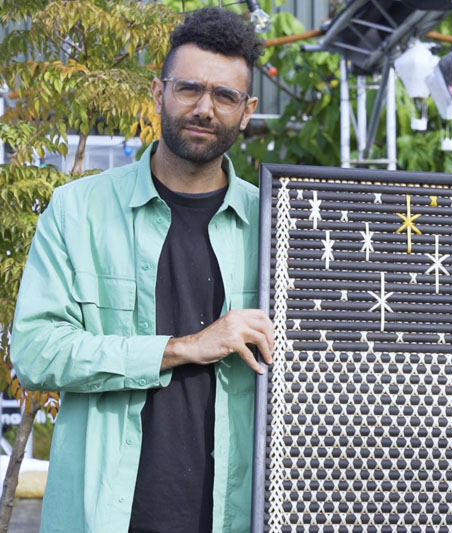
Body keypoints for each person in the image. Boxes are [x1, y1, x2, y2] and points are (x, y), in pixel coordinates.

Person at [11, 8, 275, 532]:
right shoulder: (77, 211)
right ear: (158, 93)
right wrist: (181, 347)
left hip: (236, 515)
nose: (204, 108)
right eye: (189, 89)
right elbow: (36, 352)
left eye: (224, 96)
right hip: (105, 514)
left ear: (246, 112)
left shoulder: (277, 221)